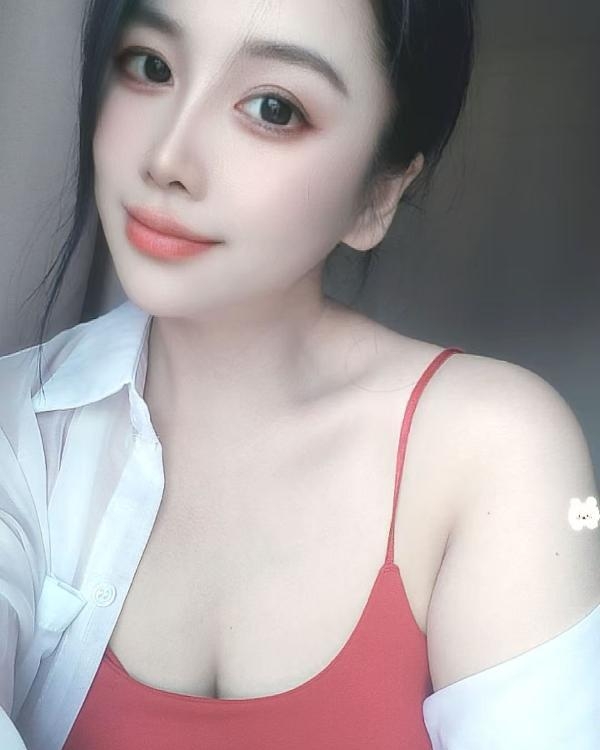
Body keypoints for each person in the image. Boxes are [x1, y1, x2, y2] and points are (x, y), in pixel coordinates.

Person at [1, 1, 599, 748]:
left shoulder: (496, 454)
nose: (168, 158)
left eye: (273, 109)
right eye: (151, 67)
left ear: (377, 195)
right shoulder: (19, 430)